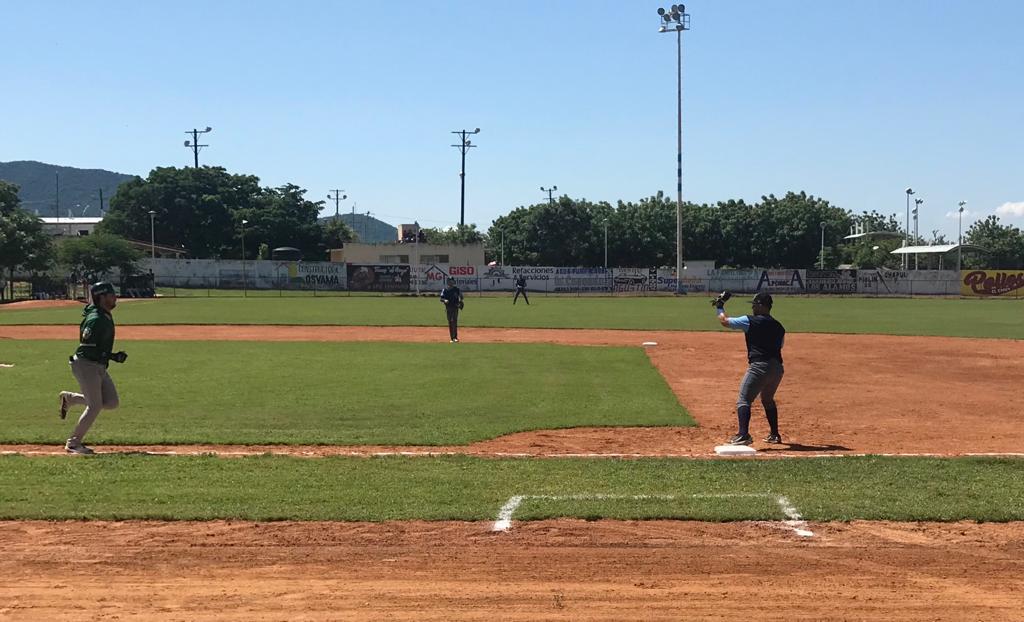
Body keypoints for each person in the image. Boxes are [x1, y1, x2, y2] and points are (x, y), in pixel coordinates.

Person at [57, 281, 128, 454]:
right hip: (86, 365)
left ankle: (71, 399)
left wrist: (111, 356)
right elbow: (86, 346)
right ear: (101, 297)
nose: (114, 297)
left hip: (97, 365)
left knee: (111, 402)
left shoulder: (104, 314)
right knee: (95, 406)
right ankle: (73, 443)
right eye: (111, 295)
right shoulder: (96, 318)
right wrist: (109, 356)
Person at [714, 291, 785, 446]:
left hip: (759, 366)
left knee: (744, 400)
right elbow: (780, 346)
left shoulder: (750, 321)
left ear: (760, 305)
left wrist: (719, 306)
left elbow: (724, 321)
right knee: (767, 399)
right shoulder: (780, 327)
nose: (752, 307)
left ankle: (743, 434)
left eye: (754, 304)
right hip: (777, 368)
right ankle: (774, 434)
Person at [439, 277, 464, 342]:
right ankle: (451, 338)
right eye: (449, 281)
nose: (450, 282)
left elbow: (461, 297)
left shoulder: (457, 289)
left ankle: (455, 337)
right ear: (447, 282)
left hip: (455, 307)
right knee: (450, 322)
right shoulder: (445, 290)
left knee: (454, 321)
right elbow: (441, 299)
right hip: (448, 308)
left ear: (453, 282)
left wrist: (460, 300)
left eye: (451, 281)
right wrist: (445, 300)